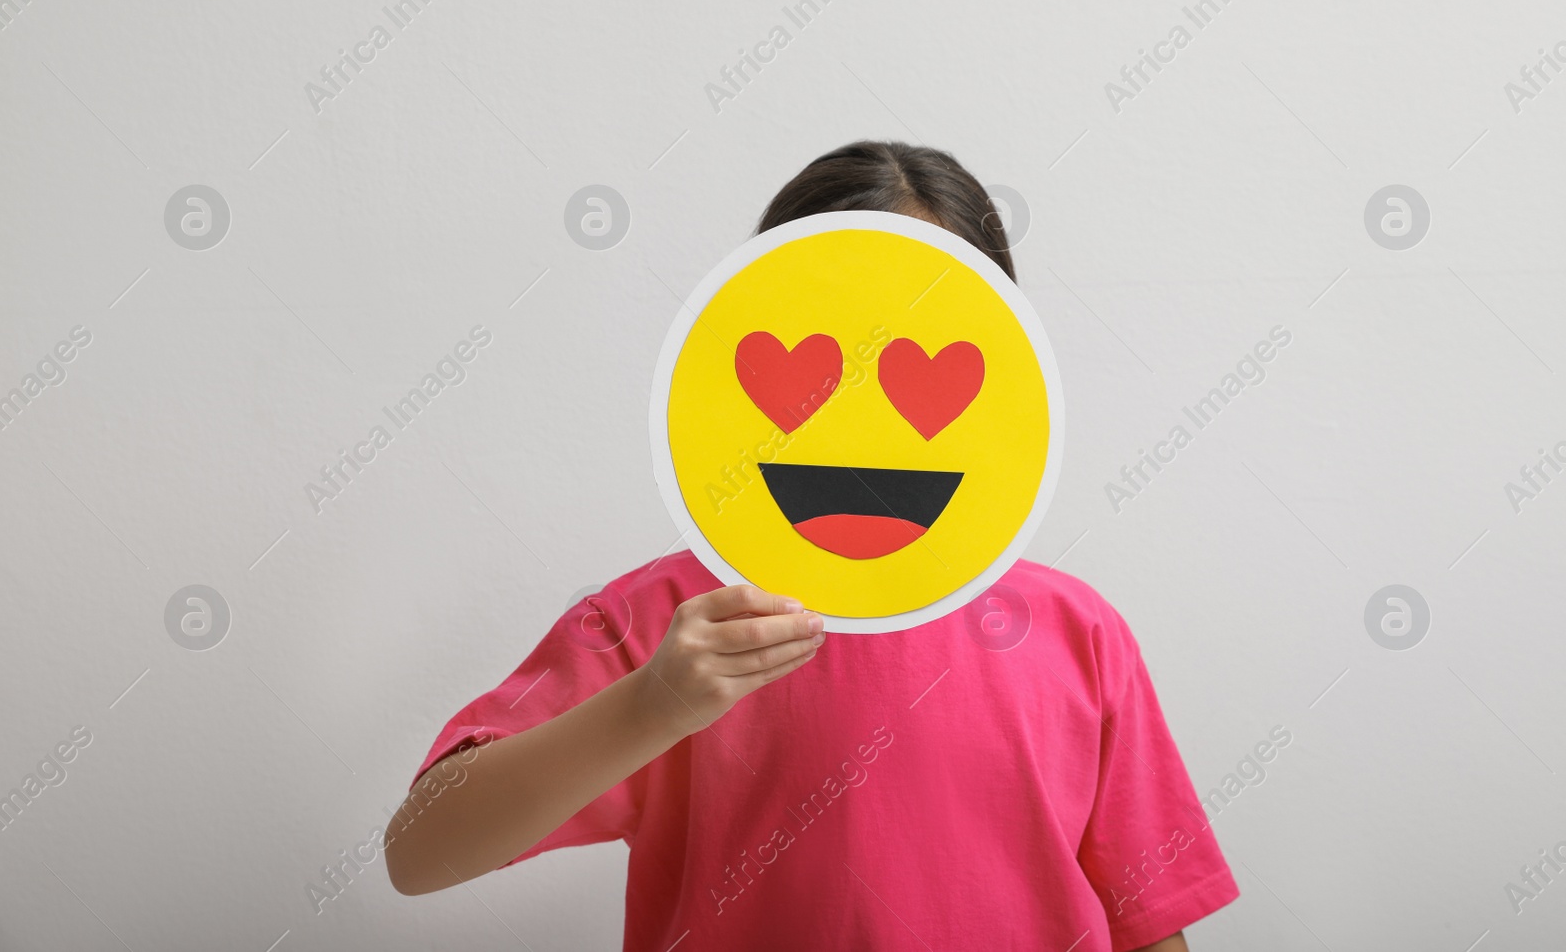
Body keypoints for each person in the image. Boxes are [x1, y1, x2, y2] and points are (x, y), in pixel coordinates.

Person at [385, 141, 1239, 951]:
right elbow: (418, 854)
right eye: (834, 333)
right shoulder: (672, 627)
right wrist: (653, 705)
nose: (865, 402)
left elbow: (1150, 917)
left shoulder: (1077, 631)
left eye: (924, 330)